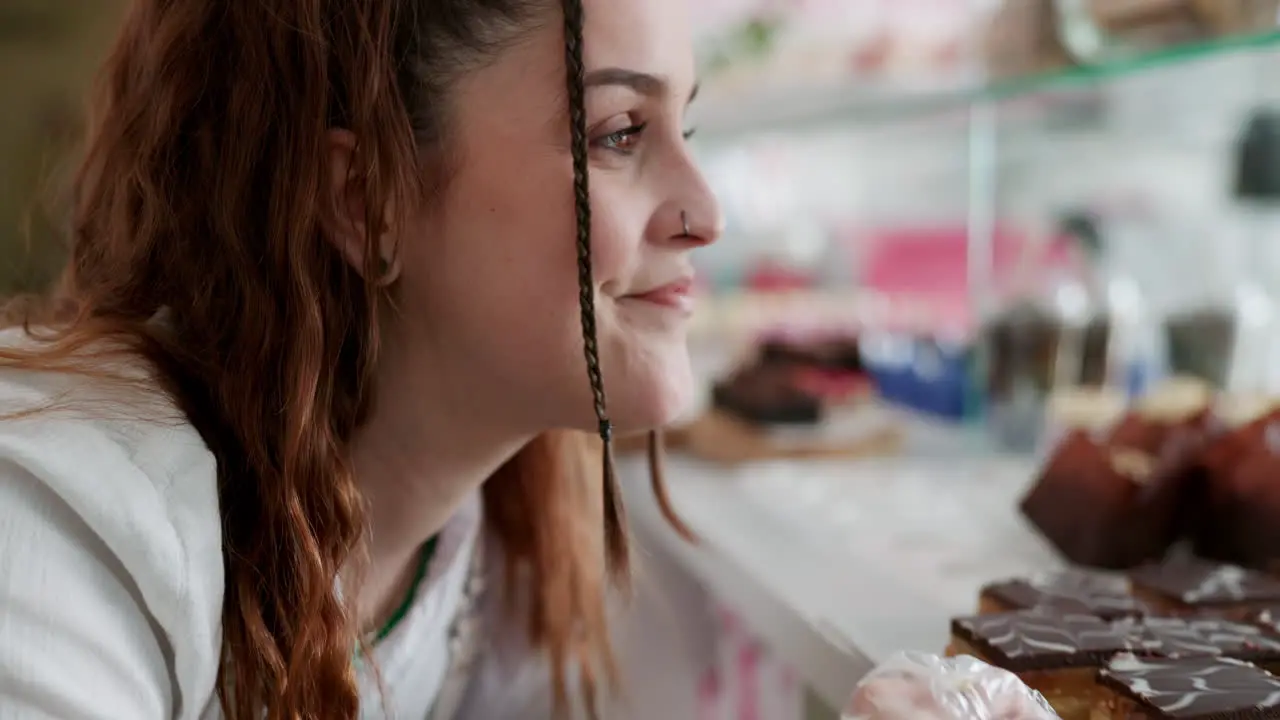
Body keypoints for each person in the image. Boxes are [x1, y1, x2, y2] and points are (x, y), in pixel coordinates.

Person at [0, 0, 721, 718]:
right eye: (620, 134)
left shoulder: (490, 542)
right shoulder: (55, 527)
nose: (706, 214)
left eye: (684, 129)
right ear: (368, 199)